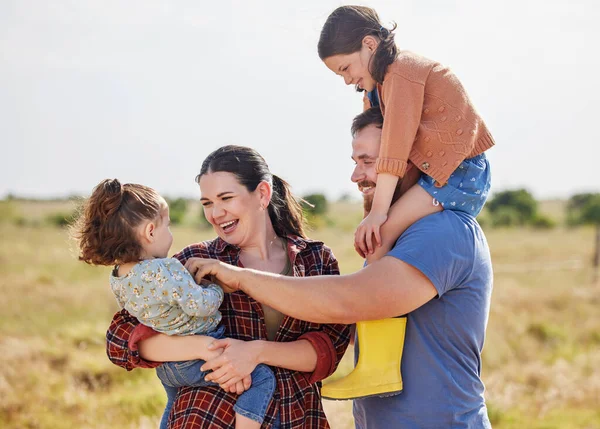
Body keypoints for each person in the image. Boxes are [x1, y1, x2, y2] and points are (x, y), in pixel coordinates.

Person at [187, 111, 494, 428]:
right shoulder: (397, 236)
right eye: (356, 161)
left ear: (411, 161)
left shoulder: (442, 233)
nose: (356, 175)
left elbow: (350, 302)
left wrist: (240, 280)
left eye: (369, 161)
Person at [104, 145, 352, 429]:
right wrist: (204, 348)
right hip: (207, 417)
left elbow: (329, 349)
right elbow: (120, 341)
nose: (216, 213)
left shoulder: (315, 260)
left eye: (226, 198)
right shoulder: (193, 262)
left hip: (297, 417)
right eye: (207, 203)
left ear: (262, 194)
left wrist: (254, 352)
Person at [71, 178, 276, 429]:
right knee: (262, 377)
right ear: (150, 231)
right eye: (166, 226)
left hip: (168, 367)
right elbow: (200, 306)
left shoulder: (119, 277)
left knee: (173, 405)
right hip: (198, 360)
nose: (170, 233)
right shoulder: (166, 269)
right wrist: (216, 288)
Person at [318, 5, 494, 263]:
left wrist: (379, 214)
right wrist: (371, 212)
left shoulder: (402, 71)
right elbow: (377, 153)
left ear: (369, 44)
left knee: (380, 236)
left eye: (346, 68)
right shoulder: (374, 91)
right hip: (428, 176)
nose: (346, 80)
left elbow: (394, 148)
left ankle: (363, 299)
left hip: (460, 175)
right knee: (375, 237)